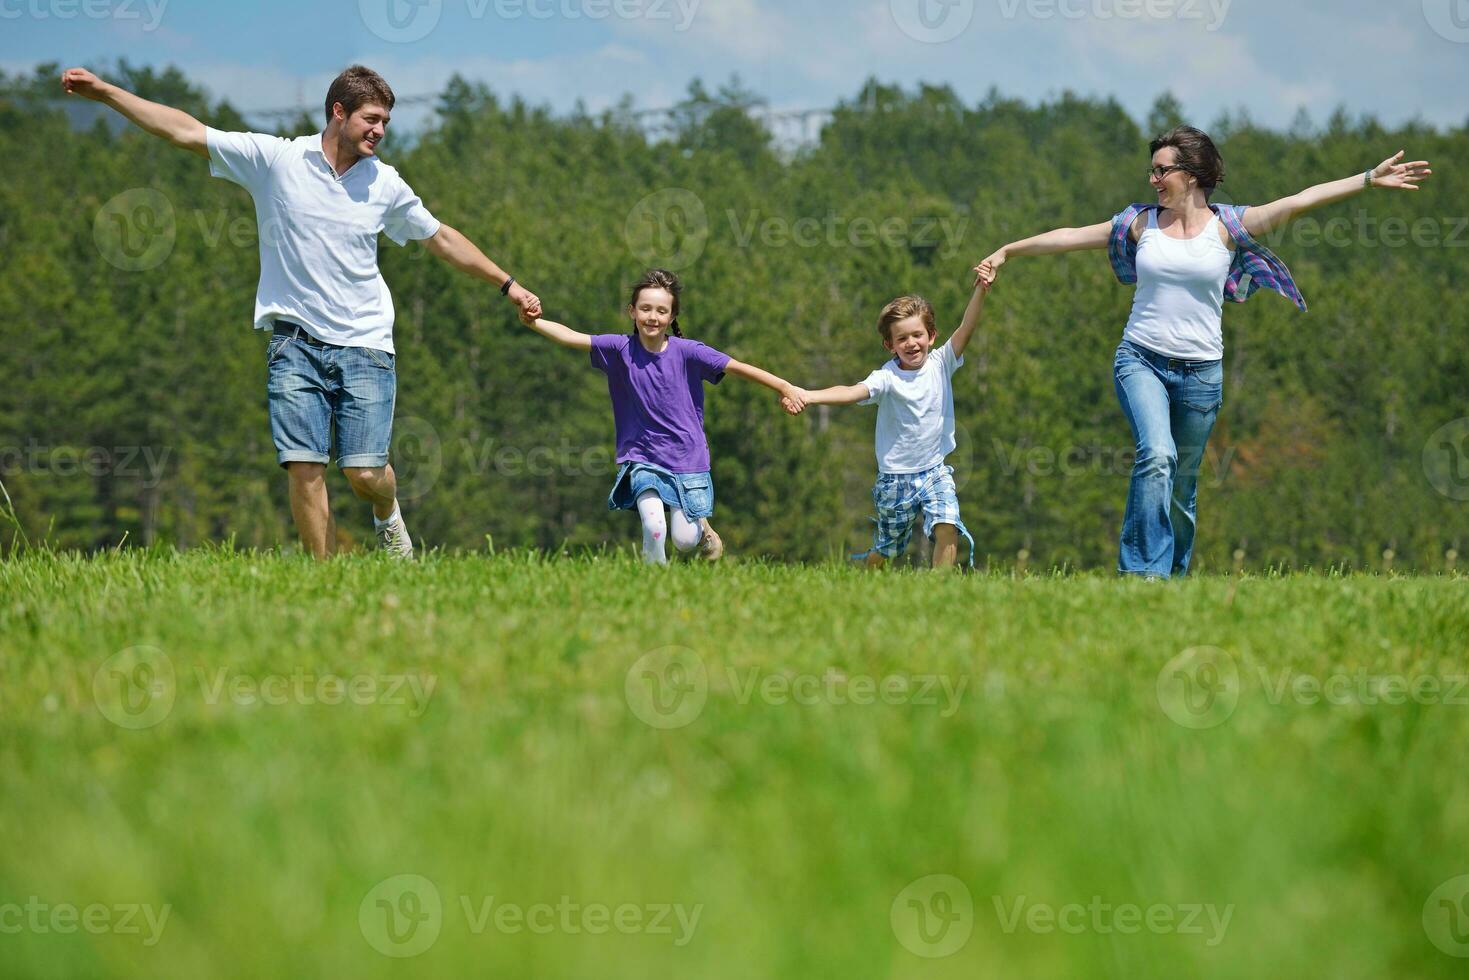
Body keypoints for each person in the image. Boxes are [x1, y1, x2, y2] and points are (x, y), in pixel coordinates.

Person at [61, 64, 543, 559]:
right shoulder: (277, 160)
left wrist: (507, 284)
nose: (379, 130)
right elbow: (185, 130)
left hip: (365, 343)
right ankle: (326, 578)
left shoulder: (385, 183)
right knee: (304, 466)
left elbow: (440, 237)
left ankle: (387, 513)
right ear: (339, 112)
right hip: (293, 343)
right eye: (371, 119)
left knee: (364, 473)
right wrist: (105, 94)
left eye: (385, 122)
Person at [977, 126, 1431, 579]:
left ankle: (1173, 578)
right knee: (1157, 455)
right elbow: (1070, 236)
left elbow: (1300, 200)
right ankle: (1140, 577)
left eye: (1161, 170)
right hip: (1141, 359)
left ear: (1191, 175)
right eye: (1151, 171)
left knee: (1181, 486)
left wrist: (1368, 178)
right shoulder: (1140, 223)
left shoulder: (1229, 226)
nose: (1153, 180)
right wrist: (1008, 251)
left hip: (1201, 375)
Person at [519, 269, 803, 564]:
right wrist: (534, 322)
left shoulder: (689, 352)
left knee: (683, 541)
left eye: (661, 311)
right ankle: (653, 582)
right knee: (654, 527)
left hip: (687, 458)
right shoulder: (620, 349)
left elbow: (739, 367)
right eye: (645, 309)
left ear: (671, 316)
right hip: (643, 456)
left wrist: (784, 387)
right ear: (632, 311)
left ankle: (704, 532)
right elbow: (572, 338)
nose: (652, 317)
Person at [785, 275, 990, 570]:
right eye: (901, 338)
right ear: (889, 345)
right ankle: (867, 574)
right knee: (890, 548)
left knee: (948, 524)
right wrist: (809, 396)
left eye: (917, 335)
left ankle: (941, 592)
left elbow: (967, 328)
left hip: (935, 471)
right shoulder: (886, 378)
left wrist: (981, 290)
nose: (911, 343)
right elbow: (850, 392)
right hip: (895, 479)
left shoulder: (942, 362)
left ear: (932, 336)